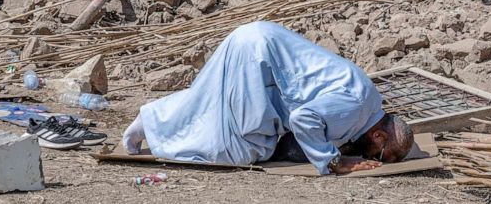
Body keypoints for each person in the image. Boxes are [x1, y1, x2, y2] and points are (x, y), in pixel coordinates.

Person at [122, 21, 414, 175]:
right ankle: (151, 125)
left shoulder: (368, 100)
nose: (368, 157)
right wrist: (334, 161)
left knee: (209, 101)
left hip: (256, 43)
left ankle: (149, 119)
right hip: (259, 61)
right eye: (377, 155)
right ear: (378, 136)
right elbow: (304, 118)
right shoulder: (357, 108)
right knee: (240, 150)